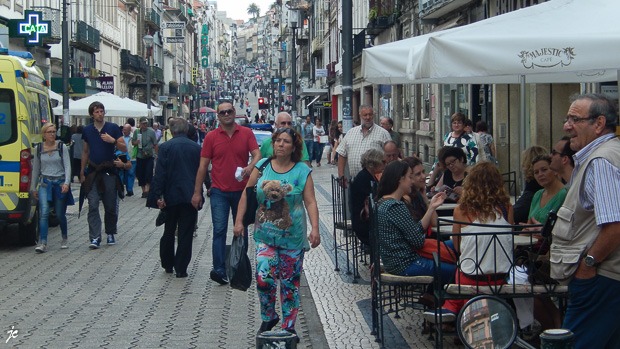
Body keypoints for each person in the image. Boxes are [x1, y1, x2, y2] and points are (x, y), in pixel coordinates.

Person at [233, 127, 320, 338]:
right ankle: (269, 316)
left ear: (294, 147)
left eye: (286, 141)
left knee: (290, 283)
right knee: (264, 279)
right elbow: (247, 194)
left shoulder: (302, 170)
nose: (281, 144)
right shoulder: (262, 167)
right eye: (278, 140)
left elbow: (310, 201)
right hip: (265, 236)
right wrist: (238, 222)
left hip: (293, 238)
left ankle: (289, 326)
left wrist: (315, 228)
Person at [551, 93, 620, 348]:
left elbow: (615, 225)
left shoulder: (601, 160)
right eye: (567, 118)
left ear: (599, 124)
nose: (566, 126)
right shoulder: (603, 155)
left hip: (601, 278)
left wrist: (588, 265)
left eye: (574, 119)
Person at [192, 100, 261, 285]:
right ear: (218, 116)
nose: (226, 114)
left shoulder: (246, 133)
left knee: (241, 230)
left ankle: (238, 266)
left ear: (234, 112)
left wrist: (249, 167)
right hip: (219, 191)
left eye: (229, 111)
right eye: (222, 112)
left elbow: (257, 155)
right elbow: (203, 166)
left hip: (242, 191)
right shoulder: (211, 137)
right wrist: (197, 192)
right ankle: (220, 269)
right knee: (219, 230)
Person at [440, 162, 514, 321]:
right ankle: (453, 310)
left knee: (461, 265)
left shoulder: (461, 210)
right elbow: (509, 240)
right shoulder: (507, 207)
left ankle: (453, 311)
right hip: (501, 278)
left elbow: (458, 247)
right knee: (463, 267)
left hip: (471, 278)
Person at [375, 161, 453, 281]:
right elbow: (418, 241)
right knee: (456, 271)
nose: (412, 181)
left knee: (455, 245)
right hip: (406, 264)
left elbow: (415, 233)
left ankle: (430, 296)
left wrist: (431, 207)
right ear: (400, 179)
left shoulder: (383, 202)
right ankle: (435, 296)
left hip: (396, 262)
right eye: (409, 177)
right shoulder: (395, 206)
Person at [147, 118, 202, 278]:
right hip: (190, 196)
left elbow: (160, 173)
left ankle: (167, 263)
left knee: (169, 230)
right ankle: (181, 267)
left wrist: (158, 195)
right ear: (186, 130)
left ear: (171, 131)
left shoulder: (165, 147)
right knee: (185, 232)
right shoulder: (196, 148)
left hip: (170, 196)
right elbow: (201, 170)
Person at [80, 101, 126, 249]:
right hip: (93, 171)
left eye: (101, 111)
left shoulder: (112, 128)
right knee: (92, 204)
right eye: (97, 112)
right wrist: (82, 172)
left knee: (110, 204)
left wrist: (112, 141)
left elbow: (124, 148)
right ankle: (94, 237)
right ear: (92, 114)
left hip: (108, 170)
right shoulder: (87, 130)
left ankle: (110, 232)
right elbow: (85, 151)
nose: (100, 114)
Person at [32, 123, 72, 252]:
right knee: (44, 213)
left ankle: (64, 237)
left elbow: (67, 166)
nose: (52, 134)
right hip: (45, 183)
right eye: (49, 132)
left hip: (59, 183)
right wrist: (33, 187)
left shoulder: (61, 147)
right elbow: (36, 169)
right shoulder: (38, 148)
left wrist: (66, 183)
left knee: (60, 214)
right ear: (44, 134)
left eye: (54, 131)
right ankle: (43, 243)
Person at [336, 105, 391, 183]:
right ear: (360, 116)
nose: (368, 117)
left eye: (370, 114)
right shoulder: (351, 132)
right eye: (365, 115)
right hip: (355, 180)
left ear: (373, 115)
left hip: (375, 180)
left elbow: (390, 155)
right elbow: (342, 154)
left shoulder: (383, 133)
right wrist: (341, 175)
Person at [350, 149, 385, 247]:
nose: (384, 164)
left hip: (367, 221)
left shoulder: (369, 176)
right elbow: (375, 199)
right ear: (374, 163)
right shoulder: (364, 178)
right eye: (382, 162)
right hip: (364, 224)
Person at [402, 157, 439, 237]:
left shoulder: (419, 194)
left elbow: (435, 223)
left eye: (423, 172)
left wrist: (425, 198)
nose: (423, 176)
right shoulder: (406, 199)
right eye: (418, 174)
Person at [513, 146, 547, 224]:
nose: (541, 174)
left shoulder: (532, 192)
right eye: (536, 172)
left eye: (544, 170)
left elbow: (513, 215)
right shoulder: (538, 190)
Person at [132, 117, 157, 198]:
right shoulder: (137, 132)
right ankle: (143, 190)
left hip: (149, 155)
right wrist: (136, 142)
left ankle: (148, 189)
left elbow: (155, 143)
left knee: (149, 172)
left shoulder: (151, 132)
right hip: (140, 155)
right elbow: (133, 142)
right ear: (139, 124)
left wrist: (156, 154)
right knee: (140, 173)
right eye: (143, 123)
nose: (145, 125)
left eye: (146, 123)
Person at [119, 124, 136, 196]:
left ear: (129, 130)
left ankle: (129, 190)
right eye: (123, 130)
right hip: (122, 158)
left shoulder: (133, 137)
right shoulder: (120, 137)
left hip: (132, 158)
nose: (124, 131)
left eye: (126, 130)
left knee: (130, 174)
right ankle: (120, 190)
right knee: (121, 175)